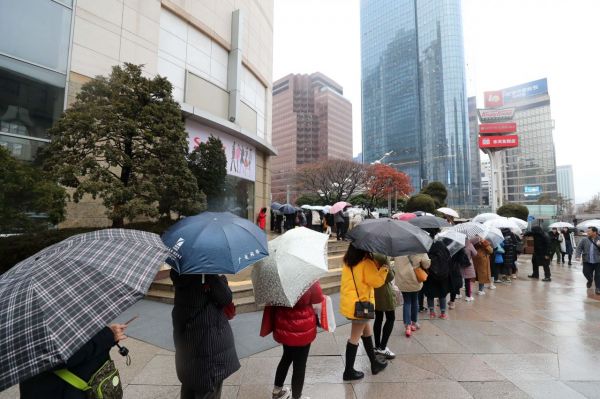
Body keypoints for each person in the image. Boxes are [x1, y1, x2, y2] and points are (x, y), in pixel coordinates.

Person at [171, 271, 240, 399]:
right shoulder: (207, 276)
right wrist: (215, 275)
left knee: (190, 386)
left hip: (187, 347)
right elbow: (225, 298)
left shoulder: (180, 277)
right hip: (209, 350)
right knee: (208, 389)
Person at [19, 324, 127, 398]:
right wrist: (107, 335)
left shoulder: (21, 329)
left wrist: (108, 334)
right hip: (69, 390)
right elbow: (69, 355)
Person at [339, 244, 389, 381]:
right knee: (354, 338)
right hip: (361, 305)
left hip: (351, 302)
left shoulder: (348, 260)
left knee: (367, 332)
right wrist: (384, 269)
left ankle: (374, 363)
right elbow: (376, 282)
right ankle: (348, 371)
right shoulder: (366, 262)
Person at [267, 282, 324, 399]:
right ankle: (296, 397)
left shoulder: (278, 278)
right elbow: (318, 297)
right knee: (300, 365)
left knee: (286, 357)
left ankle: (277, 392)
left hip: (284, 324)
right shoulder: (308, 277)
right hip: (303, 327)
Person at [395, 252, 431, 336]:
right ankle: (414, 323)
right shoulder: (419, 249)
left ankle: (407, 326)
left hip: (402, 280)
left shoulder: (399, 249)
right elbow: (426, 265)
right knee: (415, 300)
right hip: (415, 279)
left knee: (407, 302)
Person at [422, 228, 452, 319]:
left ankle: (431, 312)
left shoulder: (428, 247)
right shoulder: (443, 246)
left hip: (431, 274)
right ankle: (443, 313)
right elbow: (449, 259)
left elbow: (425, 261)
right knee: (442, 294)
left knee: (430, 294)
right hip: (443, 275)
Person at [372, 254, 396, 357]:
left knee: (378, 318)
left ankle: (377, 345)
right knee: (391, 318)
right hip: (384, 291)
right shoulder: (382, 256)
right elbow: (390, 277)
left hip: (374, 290)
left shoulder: (370, 254)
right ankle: (382, 347)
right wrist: (392, 269)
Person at [575, 226, 600, 294]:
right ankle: (590, 280)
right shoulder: (584, 239)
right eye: (587, 231)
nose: (587, 232)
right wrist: (578, 256)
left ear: (594, 232)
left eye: (589, 231)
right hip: (587, 260)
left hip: (598, 261)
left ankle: (598, 288)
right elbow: (579, 248)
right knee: (585, 272)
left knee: (598, 275)